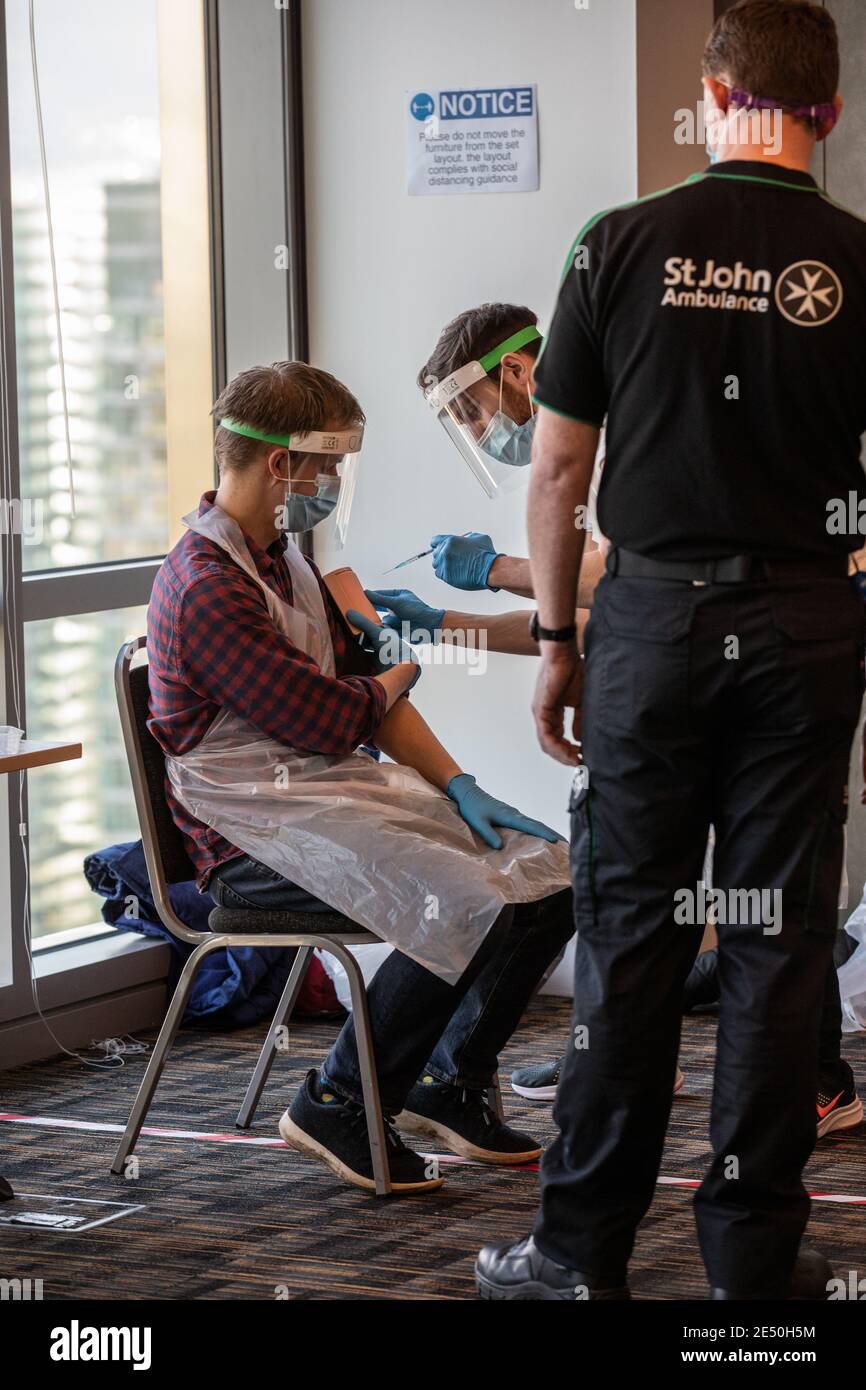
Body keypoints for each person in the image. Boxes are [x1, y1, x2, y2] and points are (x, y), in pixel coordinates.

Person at [476, 0, 866, 1300]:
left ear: (709, 93)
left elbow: (555, 466)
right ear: (830, 106)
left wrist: (551, 639)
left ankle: (576, 1253)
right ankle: (751, 1263)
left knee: (630, 933)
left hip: (650, 626)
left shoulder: (620, 241)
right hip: (807, 629)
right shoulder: (856, 261)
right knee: (769, 942)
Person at [147, 360, 576, 1195]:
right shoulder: (204, 587)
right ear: (282, 466)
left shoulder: (287, 562)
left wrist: (457, 783)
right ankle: (337, 1100)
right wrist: (396, 668)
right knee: (468, 900)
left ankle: (446, 1081)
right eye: (330, 466)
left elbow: (361, 705)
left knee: (551, 876)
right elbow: (334, 717)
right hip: (249, 836)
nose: (335, 483)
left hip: (323, 799)